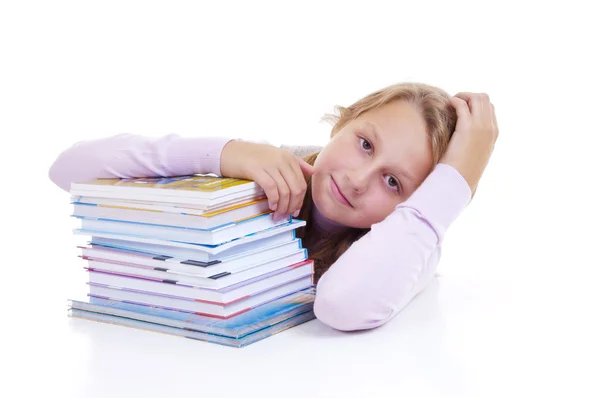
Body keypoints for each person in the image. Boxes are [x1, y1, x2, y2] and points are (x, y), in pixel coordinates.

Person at [49, 82, 499, 331]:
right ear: (343, 121)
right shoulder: (268, 166)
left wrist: (456, 183)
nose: (358, 181)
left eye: (393, 181)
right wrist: (225, 153)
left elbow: (341, 306)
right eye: (364, 143)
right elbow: (68, 171)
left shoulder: (412, 244)